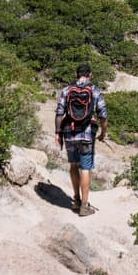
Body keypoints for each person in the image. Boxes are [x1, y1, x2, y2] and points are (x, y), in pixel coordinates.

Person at [58, 63, 107, 216]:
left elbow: (59, 112)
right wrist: (103, 132)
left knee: (73, 165)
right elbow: (103, 114)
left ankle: (76, 200)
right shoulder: (94, 90)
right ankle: (84, 207)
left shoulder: (67, 90)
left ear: (76, 74)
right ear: (90, 75)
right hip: (86, 133)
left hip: (69, 133)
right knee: (85, 168)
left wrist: (57, 133)